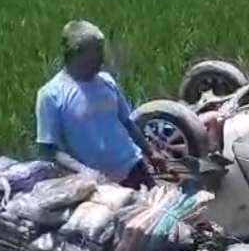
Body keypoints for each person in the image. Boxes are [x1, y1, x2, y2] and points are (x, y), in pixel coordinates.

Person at [36, 20, 165, 189]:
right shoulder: (52, 94)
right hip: (98, 184)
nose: (102, 59)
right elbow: (49, 149)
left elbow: (127, 122)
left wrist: (151, 152)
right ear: (76, 53)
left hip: (134, 167)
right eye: (96, 52)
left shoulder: (107, 81)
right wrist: (85, 172)